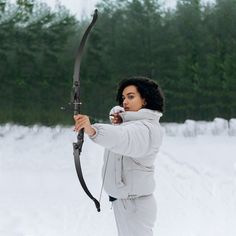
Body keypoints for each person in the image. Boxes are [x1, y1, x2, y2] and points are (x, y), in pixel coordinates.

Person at [74, 76, 164, 236]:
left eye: (131, 96)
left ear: (144, 100)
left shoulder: (147, 129)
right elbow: (122, 129)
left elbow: (123, 137)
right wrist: (121, 118)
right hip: (126, 203)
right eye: (123, 98)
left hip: (135, 206)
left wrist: (93, 130)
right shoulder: (128, 124)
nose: (125, 102)